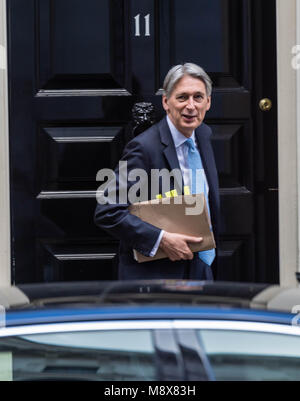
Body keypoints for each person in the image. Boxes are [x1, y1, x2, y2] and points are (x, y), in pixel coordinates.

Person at [94, 63, 220, 280]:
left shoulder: (204, 136)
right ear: (166, 102)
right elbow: (107, 210)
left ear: (208, 102)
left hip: (201, 270)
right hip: (157, 277)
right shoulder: (144, 148)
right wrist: (161, 239)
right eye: (182, 97)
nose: (191, 106)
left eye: (198, 97)